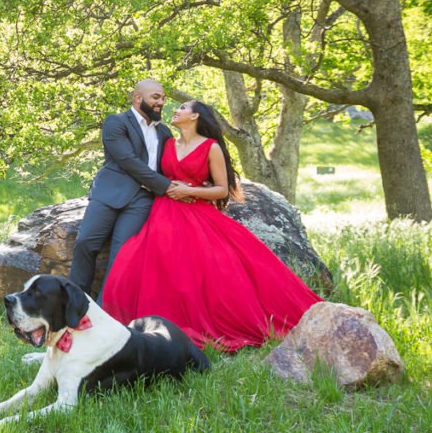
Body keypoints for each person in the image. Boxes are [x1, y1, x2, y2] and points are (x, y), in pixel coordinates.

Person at [100, 99, 322, 351]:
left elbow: (222, 189)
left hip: (196, 211)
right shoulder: (167, 143)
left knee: (213, 268)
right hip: (164, 211)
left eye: (183, 108)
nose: (176, 110)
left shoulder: (210, 147)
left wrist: (190, 190)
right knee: (138, 262)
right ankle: (149, 327)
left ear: (195, 116)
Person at [68, 79, 190, 294]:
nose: (161, 102)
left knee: (122, 255)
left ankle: (104, 308)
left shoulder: (164, 132)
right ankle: (76, 303)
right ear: (137, 98)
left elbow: (173, 163)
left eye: (163, 98)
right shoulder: (116, 122)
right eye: (155, 97)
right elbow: (128, 161)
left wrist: (198, 182)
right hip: (109, 193)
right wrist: (167, 186)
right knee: (86, 243)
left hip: (143, 199)